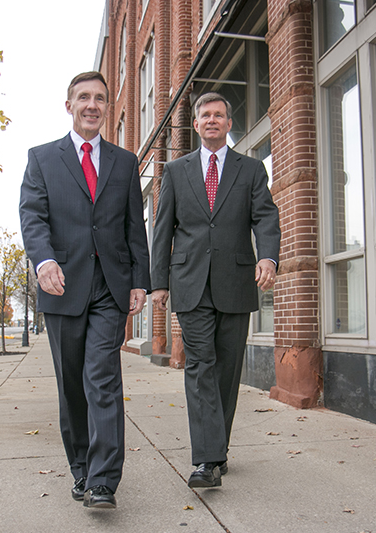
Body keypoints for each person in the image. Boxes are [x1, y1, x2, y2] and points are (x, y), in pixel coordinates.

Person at [19, 71, 150, 509]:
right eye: (83, 98)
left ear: (106, 107)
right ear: (69, 105)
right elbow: (32, 217)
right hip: (61, 287)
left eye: (99, 98)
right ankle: (80, 468)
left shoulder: (125, 162)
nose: (91, 105)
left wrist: (139, 281)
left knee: (102, 379)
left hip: (109, 290)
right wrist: (44, 260)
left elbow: (136, 227)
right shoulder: (42, 159)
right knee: (72, 385)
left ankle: (103, 481)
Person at [151, 92, 280, 488]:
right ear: (196, 124)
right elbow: (162, 229)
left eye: (219, 115)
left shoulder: (252, 169)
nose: (211, 120)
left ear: (228, 123)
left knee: (226, 372)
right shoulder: (175, 171)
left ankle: (216, 448)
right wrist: (158, 284)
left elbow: (265, 217)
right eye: (205, 115)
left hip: (235, 282)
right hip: (190, 283)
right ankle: (206, 460)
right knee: (200, 368)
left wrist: (268, 258)